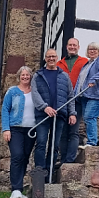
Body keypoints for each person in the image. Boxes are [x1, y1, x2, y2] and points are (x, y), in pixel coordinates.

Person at [30, 49, 75, 177]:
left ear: (57, 58)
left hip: (59, 116)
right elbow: (35, 94)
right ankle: (40, 173)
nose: (51, 59)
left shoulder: (64, 76)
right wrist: (45, 107)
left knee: (54, 146)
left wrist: (72, 113)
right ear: (45, 59)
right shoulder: (38, 75)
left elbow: (70, 96)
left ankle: (50, 173)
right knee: (41, 143)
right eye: (49, 57)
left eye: (53, 56)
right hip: (43, 115)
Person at [0, 66, 37, 198]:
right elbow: (5, 110)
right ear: (19, 76)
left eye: (27, 75)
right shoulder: (12, 91)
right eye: (23, 75)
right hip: (15, 128)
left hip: (31, 129)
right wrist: (6, 129)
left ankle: (20, 188)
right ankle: (15, 189)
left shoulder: (35, 92)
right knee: (17, 155)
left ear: (30, 77)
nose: (25, 77)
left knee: (25, 157)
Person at [56, 38, 88, 163]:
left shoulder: (84, 62)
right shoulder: (59, 64)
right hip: (62, 101)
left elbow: (93, 74)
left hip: (77, 100)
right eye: (70, 45)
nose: (72, 47)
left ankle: (70, 160)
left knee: (74, 131)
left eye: (74, 45)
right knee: (63, 132)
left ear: (78, 47)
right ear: (66, 46)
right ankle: (63, 159)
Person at [74, 42, 99, 147]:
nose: (92, 51)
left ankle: (92, 142)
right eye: (90, 49)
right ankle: (91, 141)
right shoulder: (88, 63)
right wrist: (76, 94)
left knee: (90, 117)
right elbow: (80, 80)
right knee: (87, 118)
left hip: (97, 95)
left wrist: (93, 79)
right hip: (86, 95)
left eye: (95, 49)